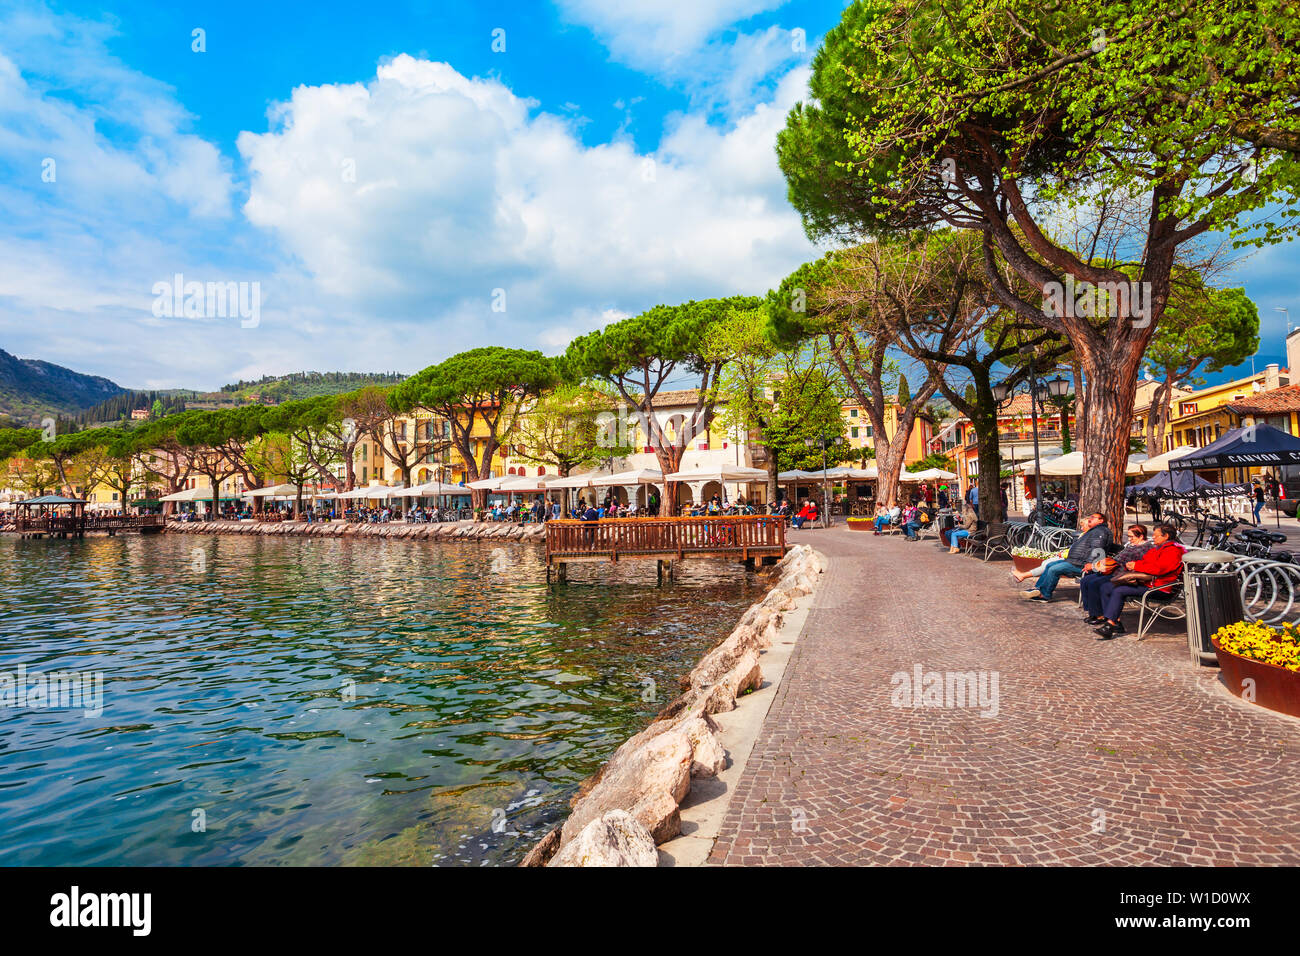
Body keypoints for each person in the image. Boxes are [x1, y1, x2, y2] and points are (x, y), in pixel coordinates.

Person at [1094, 523, 1185, 638]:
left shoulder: (1172, 551)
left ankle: (1109, 626)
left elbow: (1159, 569)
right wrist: (1133, 565)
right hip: (1148, 583)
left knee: (1119, 590)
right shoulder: (1159, 548)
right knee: (1106, 587)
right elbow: (1146, 561)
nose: (1153, 538)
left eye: (1156, 536)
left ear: (1165, 536)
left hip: (1160, 588)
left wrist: (1136, 566)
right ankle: (1115, 622)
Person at [1017, 511, 1113, 602]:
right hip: (1075, 561)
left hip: (1082, 565)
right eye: (1090, 517)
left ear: (1101, 520)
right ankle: (1038, 589)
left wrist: (1091, 565)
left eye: (1093, 517)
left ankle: (1044, 595)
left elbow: (1097, 549)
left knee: (1054, 569)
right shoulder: (1095, 531)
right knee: (1050, 565)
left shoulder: (1101, 532)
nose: (1089, 519)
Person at [1081, 524, 1152, 625]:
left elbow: (1120, 561)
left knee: (1095, 583)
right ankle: (1094, 612)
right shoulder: (1133, 546)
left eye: (1132, 536)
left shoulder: (1144, 548)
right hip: (1115, 571)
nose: (1130, 539)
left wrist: (1095, 566)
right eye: (1129, 536)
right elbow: (1117, 560)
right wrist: (1096, 566)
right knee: (1086, 580)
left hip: (1123, 575)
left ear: (1141, 536)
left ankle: (1101, 615)